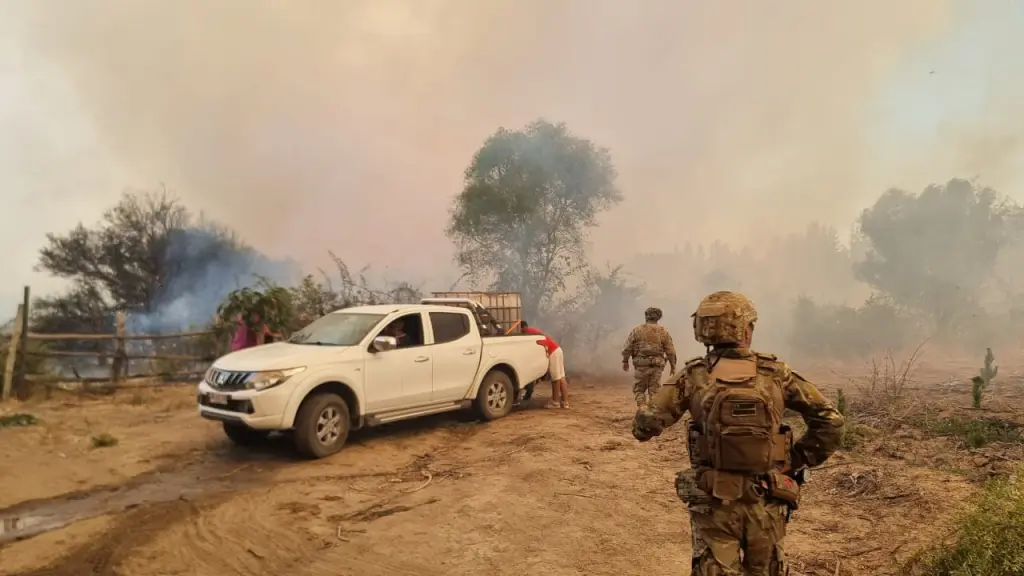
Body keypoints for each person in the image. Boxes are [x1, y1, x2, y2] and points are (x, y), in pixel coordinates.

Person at [632, 291, 844, 575]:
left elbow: (645, 426)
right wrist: (794, 460)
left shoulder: (693, 375)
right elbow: (830, 420)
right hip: (767, 496)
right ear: (746, 329)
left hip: (714, 500)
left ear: (703, 330)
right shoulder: (776, 373)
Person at [622, 306, 677, 409]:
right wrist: (673, 366)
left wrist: (625, 360)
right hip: (656, 366)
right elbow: (671, 351)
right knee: (655, 391)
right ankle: (652, 412)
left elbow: (627, 348)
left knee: (639, 390)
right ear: (658, 318)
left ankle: (642, 408)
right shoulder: (663, 332)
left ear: (646, 316)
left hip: (641, 365)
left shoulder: (637, 330)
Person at [521, 320, 569, 409]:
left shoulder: (528, 332)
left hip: (553, 352)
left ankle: (555, 402)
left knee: (556, 379)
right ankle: (565, 402)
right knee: (561, 377)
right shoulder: (534, 331)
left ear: (523, 327)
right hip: (557, 349)